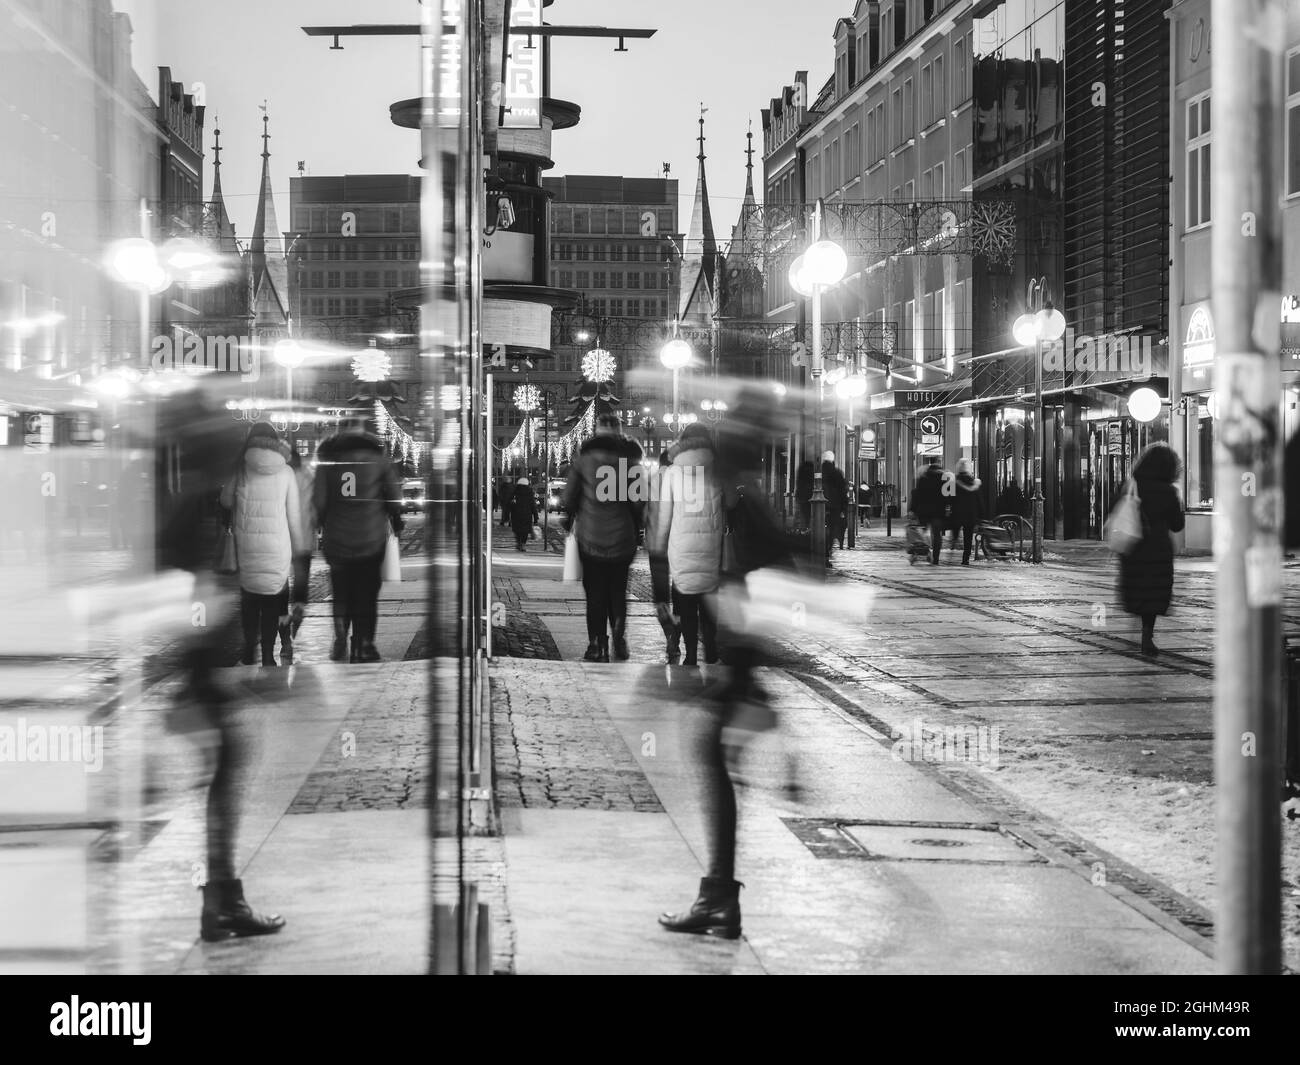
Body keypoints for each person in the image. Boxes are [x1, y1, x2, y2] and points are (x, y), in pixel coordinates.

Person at [659, 386, 798, 941]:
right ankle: (718, 895)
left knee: (712, 758)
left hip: (743, 656)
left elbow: (773, 575)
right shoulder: (746, 493)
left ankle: (719, 897)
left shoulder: (748, 497)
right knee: (714, 758)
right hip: (742, 657)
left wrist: (743, 668)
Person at [156, 391, 284, 942]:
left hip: (199, 672)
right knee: (226, 774)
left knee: (225, 773)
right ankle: (222, 901)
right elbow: (187, 590)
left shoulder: (197, 497)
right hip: (198, 674)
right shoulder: (195, 504)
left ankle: (223, 898)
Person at [314, 420, 404, 663]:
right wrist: (392, 516)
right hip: (370, 538)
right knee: (366, 593)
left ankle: (341, 635)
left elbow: (319, 501)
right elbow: (395, 498)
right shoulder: (378, 459)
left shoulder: (328, 461)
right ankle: (364, 643)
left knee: (341, 592)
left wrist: (324, 523)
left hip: (337, 539)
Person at [219, 424, 304, 667]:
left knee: (249, 600)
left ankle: (249, 647)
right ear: (275, 441)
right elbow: (294, 516)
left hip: (247, 547)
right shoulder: (286, 472)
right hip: (277, 549)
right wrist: (299, 549)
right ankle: (268, 654)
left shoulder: (241, 468)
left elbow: (225, 500)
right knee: (271, 603)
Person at [561, 412, 644, 662]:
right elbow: (639, 502)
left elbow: (567, 498)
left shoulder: (584, 460)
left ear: (596, 432)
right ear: (619, 432)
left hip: (591, 537)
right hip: (622, 539)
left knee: (595, 594)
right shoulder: (629, 462)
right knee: (617, 592)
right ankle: (619, 636)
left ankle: (597, 645)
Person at [651, 423, 723, 668]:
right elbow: (728, 504)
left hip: (681, 546)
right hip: (711, 545)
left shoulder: (672, 472)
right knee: (709, 599)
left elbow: (664, 514)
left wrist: (659, 543)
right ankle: (711, 647)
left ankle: (691, 654)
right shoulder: (717, 469)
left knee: (685, 603)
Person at [1117, 442, 1185, 657]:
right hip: (1158, 550)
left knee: (1137, 587)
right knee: (1154, 591)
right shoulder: (1169, 491)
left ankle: (1135, 627)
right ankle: (1147, 634)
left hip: (1133, 547)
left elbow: (1117, 511)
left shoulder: (1132, 485)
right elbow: (1177, 525)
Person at [279, 447, 317, 662]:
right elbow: (315, 508)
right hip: (302, 539)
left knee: (279, 589)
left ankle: (285, 641)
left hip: (280, 541)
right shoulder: (308, 476)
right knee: (301, 585)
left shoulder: (276, 476)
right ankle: (299, 610)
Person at [645, 449, 681, 663]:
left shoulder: (651, 480)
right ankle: (675, 639)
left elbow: (643, 511)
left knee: (660, 597)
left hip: (656, 545)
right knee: (680, 596)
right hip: (679, 545)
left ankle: (669, 634)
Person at [910, 458, 949, 565]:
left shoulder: (923, 478)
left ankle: (920, 553)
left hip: (923, 511)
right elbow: (949, 496)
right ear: (940, 464)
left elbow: (917, 495)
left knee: (921, 533)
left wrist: (913, 509)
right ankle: (936, 558)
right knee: (937, 535)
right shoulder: (946, 478)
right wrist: (949, 508)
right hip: (938, 511)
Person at [948, 458, 983, 566]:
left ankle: (952, 551)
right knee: (968, 537)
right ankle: (965, 558)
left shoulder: (954, 482)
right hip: (970, 515)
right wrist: (981, 515)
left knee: (955, 533)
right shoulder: (975, 483)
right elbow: (980, 501)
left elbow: (949, 497)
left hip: (957, 513)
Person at [821, 450, 849, 559]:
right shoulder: (837, 473)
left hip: (821, 505)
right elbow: (843, 490)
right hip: (834, 506)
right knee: (832, 528)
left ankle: (821, 548)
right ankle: (828, 549)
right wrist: (844, 507)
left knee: (818, 526)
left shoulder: (818, 472)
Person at [507, 476, 538, 551]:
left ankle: (518, 543)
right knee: (525, 531)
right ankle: (523, 544)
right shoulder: (530, 492)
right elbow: (533, 505)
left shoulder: (514, 492)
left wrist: (507, 515)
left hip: (516, 515)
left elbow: (509, 504)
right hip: (526, 515)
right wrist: (536, 516)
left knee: (517, 530)